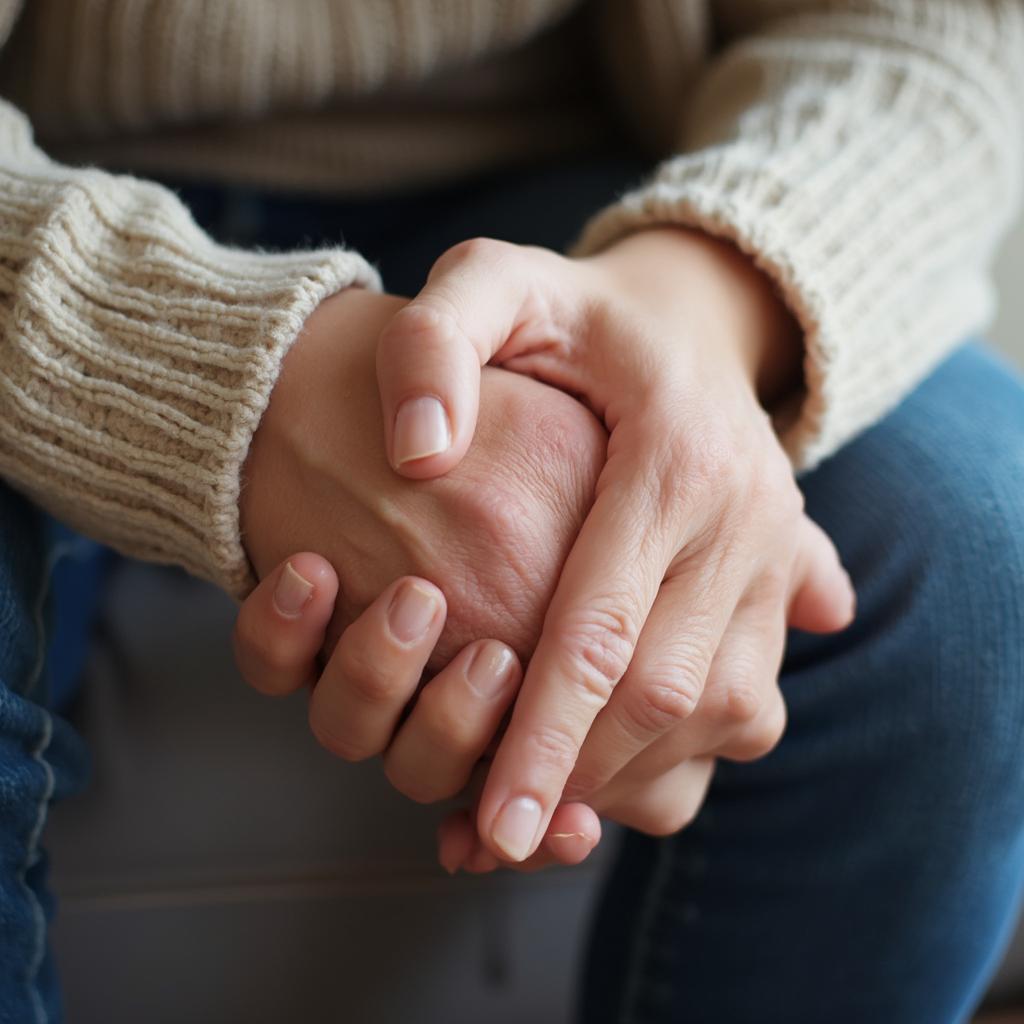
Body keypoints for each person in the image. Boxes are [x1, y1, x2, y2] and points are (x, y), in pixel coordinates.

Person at [2, 2, 1023, 1022]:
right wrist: (244, 390)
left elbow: (939, 28)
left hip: (591, 176)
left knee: (970, 554)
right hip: (37, 174)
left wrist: (700, 299)